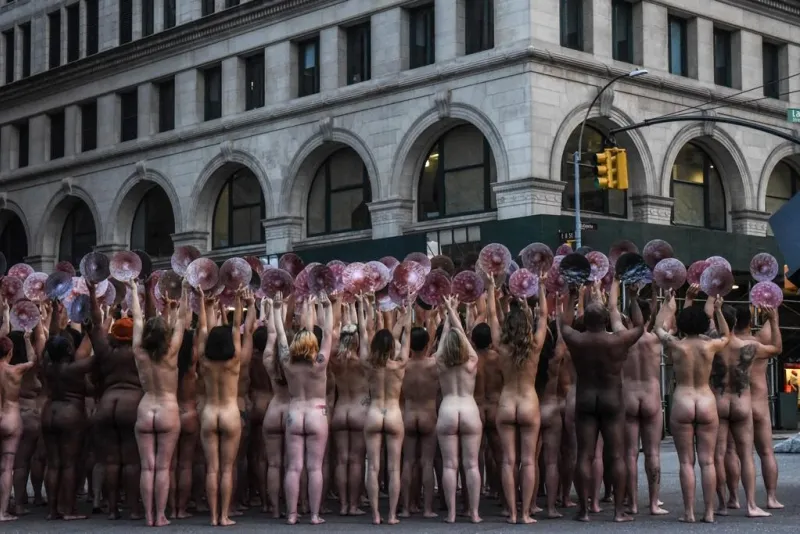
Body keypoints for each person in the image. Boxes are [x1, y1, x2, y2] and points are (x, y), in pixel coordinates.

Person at [558, 287, 644, 523]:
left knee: (584, 455)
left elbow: (563, 325)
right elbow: (639, 326)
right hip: (611, 399)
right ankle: (618, 512)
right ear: (606, 319)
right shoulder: (618, 340)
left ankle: (584, 511)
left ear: (584, 319)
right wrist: (634, 297)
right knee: (616, 456)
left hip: (585, 398)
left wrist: (573, 296)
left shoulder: (576, 339)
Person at [653, 292, 729, 523]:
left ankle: (689, 513)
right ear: (705, 325)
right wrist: (717, 309)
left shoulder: (677, 346)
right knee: (708, 461)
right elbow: (726, 334)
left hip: (683, 401)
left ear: (683, 325)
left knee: (686, 461)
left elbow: (657, 329)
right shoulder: (710, 346)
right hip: (706, 400)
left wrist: (668, 307)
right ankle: (708, 512)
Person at [486, 275, 547, 524]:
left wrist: (491, 289)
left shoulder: (501, 346)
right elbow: (543, 315)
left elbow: (491, 316)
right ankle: (525, 513)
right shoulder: (535, 346)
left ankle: (511, 513)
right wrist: (541, 287)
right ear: (527, 326)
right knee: (528, 460)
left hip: (506, 403)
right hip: (529, 403)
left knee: (508, 461)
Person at [128, 279, 189, 526]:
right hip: (167, 408)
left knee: (147, 468)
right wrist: (184, 289)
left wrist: (135, 291)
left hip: (145, 408)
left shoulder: (138, 352)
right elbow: (183, 320)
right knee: (163, 468)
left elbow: (138, 319)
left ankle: (148, 515)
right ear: (165, 334)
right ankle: (161, 515)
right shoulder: (172, 351)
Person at [711, 304, 778, 519]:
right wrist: (774, 319)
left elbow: (689, 329)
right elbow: (777, 348)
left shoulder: (712, 346)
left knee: (721, 454)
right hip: (743, 402)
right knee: (748, 454)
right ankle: (752, 505)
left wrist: (714, 307)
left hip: (720, 402)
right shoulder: (750, 346)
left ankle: (724, 503)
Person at [608, 281, 668, 516]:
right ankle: (653, 504)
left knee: (629, 454)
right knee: (653, 453)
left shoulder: (623, 337)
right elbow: (664, 315)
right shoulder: (655, 339)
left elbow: (612, 309)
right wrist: (659, 293)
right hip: (651, 397)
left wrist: (616, 281)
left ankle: (632, 503)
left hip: (629, 397)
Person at [276, 292, 333, 525]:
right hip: (317, 413)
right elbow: (328, 333)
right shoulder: (320, 363)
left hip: (294, 412)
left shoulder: (287, 362)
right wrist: (327, 308)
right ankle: (314, 515)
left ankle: (291, 514)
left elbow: (280, 334)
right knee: (315, 468)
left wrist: (277, 309)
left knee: (294, 467)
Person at [199, 288, 254, 526]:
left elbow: (203, 329)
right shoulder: (235, 361)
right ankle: (224, 515)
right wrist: (240, 301)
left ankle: (212, 517)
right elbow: (239, 328)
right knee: (227, 469)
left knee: (212, 469)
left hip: (210, 413)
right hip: (231, 413)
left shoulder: (204, 360)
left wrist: (205, 303)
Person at [89, 285, 144, 520]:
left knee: (111, 460)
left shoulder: (105, 351)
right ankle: (132, 509)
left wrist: (93, 296)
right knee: (131, 460)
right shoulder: (138, 352)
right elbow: (146, 320)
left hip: (107, 404)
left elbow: (95, 326)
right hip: (131, 405)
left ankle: (111, 509)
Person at [359, 296, 411, 525]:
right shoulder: (399, 365)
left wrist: (364, 306)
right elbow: (407, 334)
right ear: (392, 347)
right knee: (394, 468)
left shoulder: (368, 365)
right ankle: (391, 515)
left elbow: (362, 332)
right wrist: (407, 310)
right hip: (393, 413)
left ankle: (376, 515)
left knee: (373, 466)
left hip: (373, 413)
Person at [435, 296, 482, 524]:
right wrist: (454, 313)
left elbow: (444, 342)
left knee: (449, 465)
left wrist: (447, 316)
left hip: (447, 410)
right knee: (471, 465)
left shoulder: (440, 361)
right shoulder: (472, 361)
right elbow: (462, 336)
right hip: (469, 409)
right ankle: (473, 513)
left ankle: (452, 513)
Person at [329, 302, 370, 517]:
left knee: (341, 459)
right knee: (355, 461)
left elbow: (332, 332)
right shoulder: (362, 360)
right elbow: (366, 331)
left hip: (340, 410)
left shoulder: (334, 359)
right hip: (359, 411)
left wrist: (341, 310)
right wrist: (361, 309)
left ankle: (343, 504)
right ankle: (353, 506)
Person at [399, 325, 439, 518]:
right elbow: (447, 336)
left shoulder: (402, 364)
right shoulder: (434, 364)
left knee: (407, 462)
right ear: (427, 345)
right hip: (428, 415)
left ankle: (406, 508)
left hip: (408, 415)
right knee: (427, 462)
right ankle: (428, 509)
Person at [9, 316, 45, 516]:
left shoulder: (5, 368)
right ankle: (21, 503)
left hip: (7, 415)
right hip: (29, 416)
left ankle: (6, 502)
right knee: (23, 463)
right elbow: (33, 358)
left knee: (5, 464)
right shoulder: (28, 369)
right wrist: (28, 337)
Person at [0, 331, 39, 521]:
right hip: (11, 418)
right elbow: (33, 359)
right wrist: (26, 339)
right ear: (10, 353)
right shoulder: (15, 371)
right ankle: (2, 511)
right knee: (7, 466)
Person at [262, 296, 289, 519]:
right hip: (292, 412)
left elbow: (273, 335)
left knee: (274, 464)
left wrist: (275, 311)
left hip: (273, 410)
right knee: (293, 465)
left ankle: (275, 509)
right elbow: (280, 336)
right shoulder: (295, 362)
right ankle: (297, 506)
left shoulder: (269, 360)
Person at [171, 309, 199, 520]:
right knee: (185, 465)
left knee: (169, 466)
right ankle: (181, 509)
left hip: (170, 411)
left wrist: (173, 315)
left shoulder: (166, 362)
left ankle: (170, 508)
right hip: (189, 413)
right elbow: (203, 337)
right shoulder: (192, 366)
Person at [248, 318, 273, 513]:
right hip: (270, 405)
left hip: (253, 405)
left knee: (254, 455)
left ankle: (256, 495)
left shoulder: (248, 359)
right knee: (268, 458)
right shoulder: (272, 360)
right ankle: (269, 501)